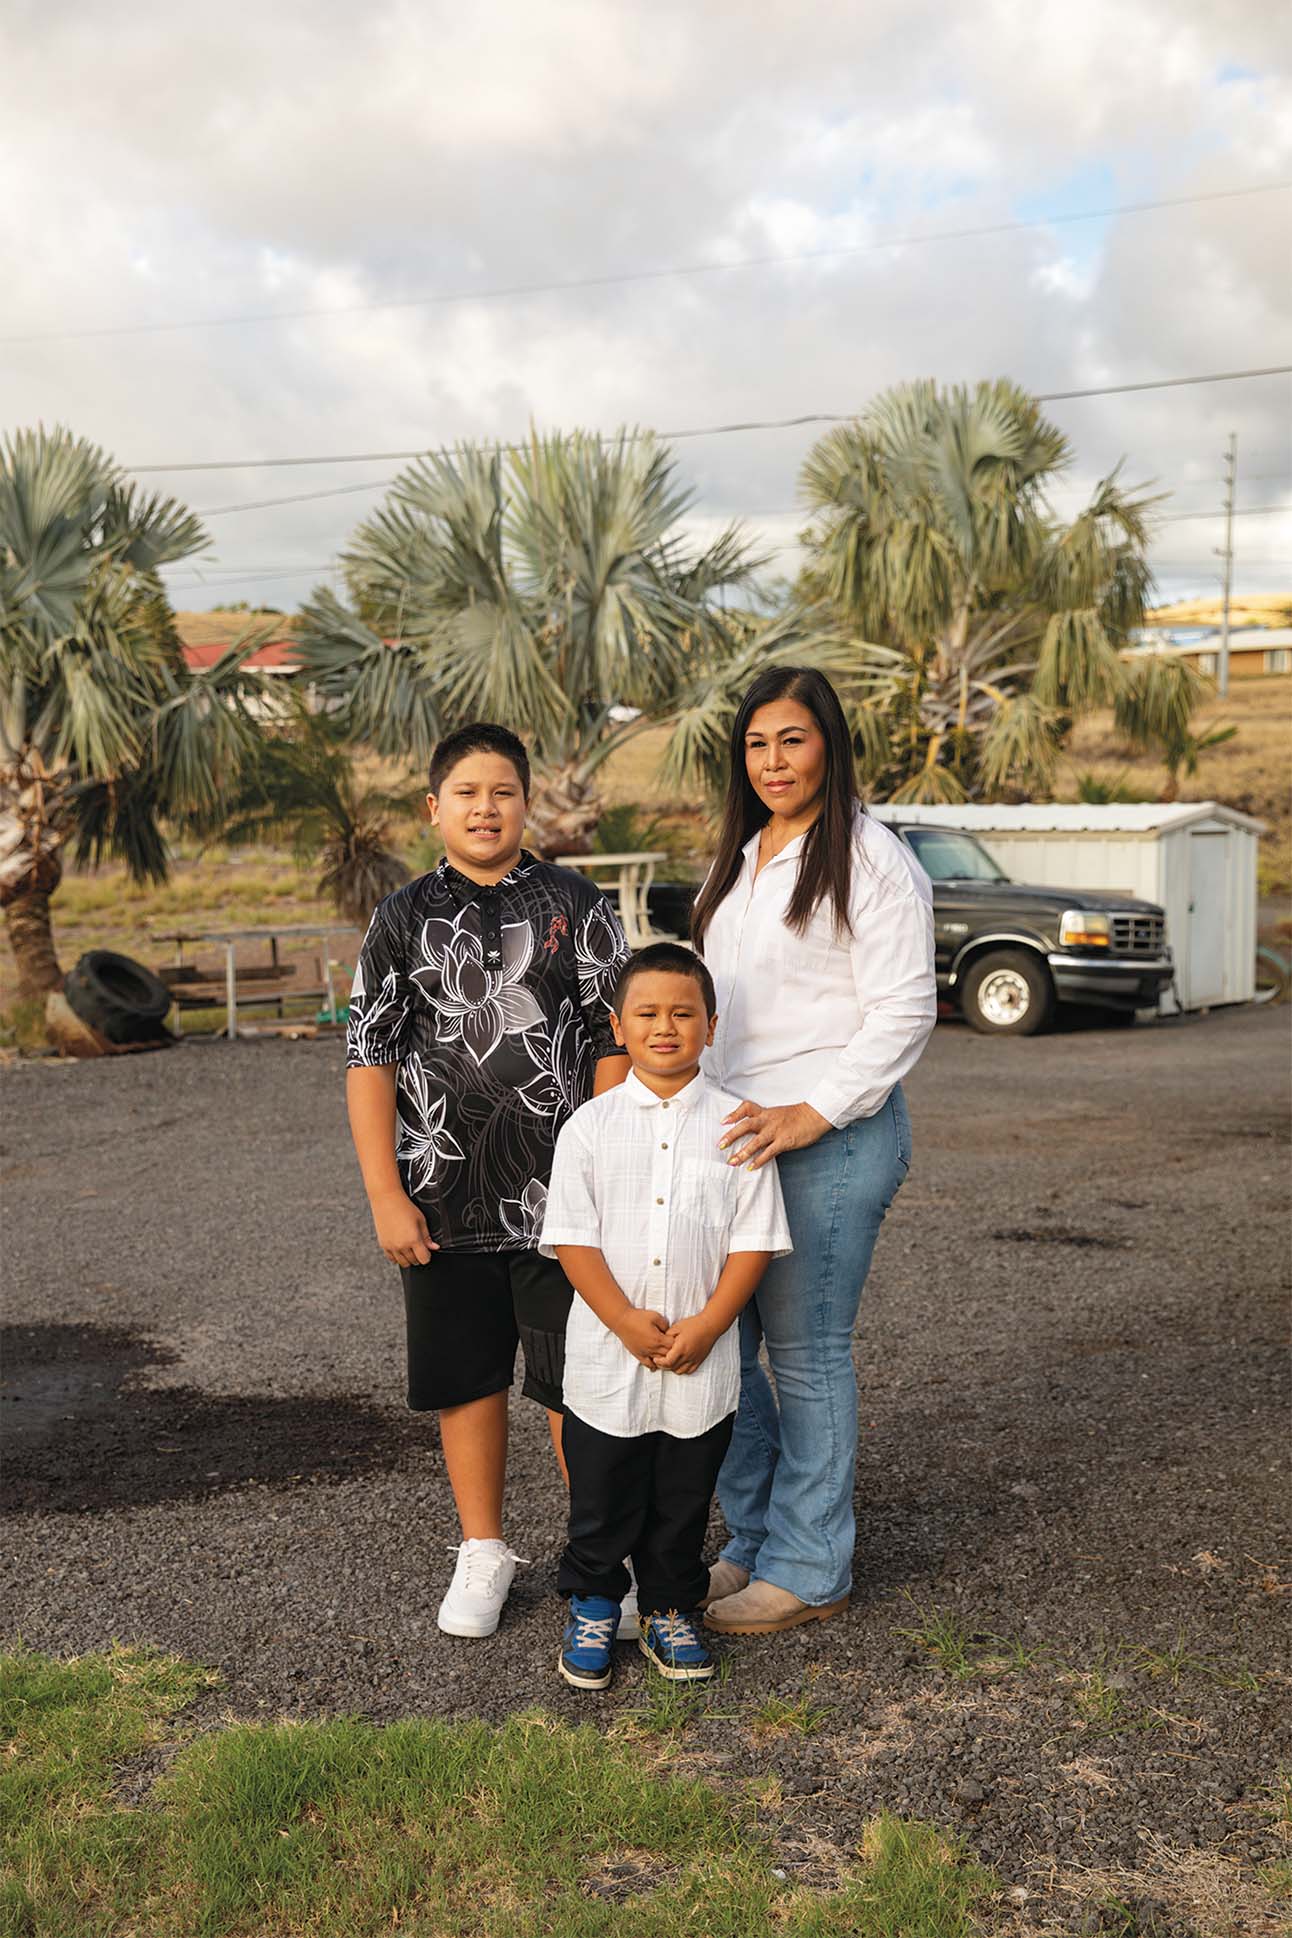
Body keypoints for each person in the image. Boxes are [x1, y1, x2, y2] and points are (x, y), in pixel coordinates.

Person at [345, 722, 630, 1641]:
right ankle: (484, 1549)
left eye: (502, 791)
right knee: (468, 1384)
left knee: (574, 1386)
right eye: (465, 793)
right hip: (439, 1200)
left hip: (565, 1208)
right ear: (434, 808)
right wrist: (387, 1192)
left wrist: (608, 1169)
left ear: (527, 802)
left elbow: (614, 1044)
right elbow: (369, 1057)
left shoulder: (576, 905)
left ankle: (602, 1557)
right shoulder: (399, 919)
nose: (485, 807)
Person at [692, 666, 936, 1636]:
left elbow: (902, 1011)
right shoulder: (744, 858)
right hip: (738, 1142)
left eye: (790, 739)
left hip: (832, 1140)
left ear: (827, 744)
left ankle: (809, 1564)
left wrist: (810, 1112)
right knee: (723, 1355)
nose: (772, 760)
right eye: (755, 744)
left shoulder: (872, 860)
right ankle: (752, 1539)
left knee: (805, 1355)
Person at [539, 942, 791, 1690]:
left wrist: (712, 1324)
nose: (665, 1027)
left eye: (684, 1013)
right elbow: (574, 1239)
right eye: (647, 1013)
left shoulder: (738, 1128)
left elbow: (752, 1242)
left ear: (711, 1026)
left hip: (699, 1358)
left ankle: (668, 1609)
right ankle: (593, 1604)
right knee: (603, 1495)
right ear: (618, 1026)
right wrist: (620, 1318)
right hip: (606, 1361)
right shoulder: (589, 1126)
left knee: (683, 1496)